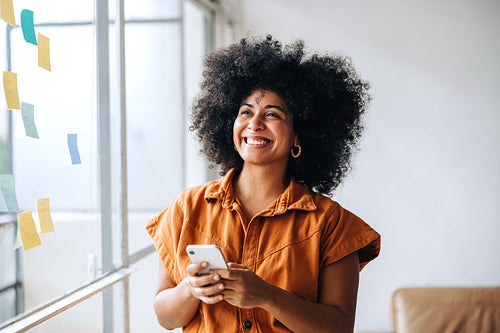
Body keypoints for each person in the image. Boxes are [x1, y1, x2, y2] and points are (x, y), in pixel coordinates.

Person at [146, 35, 381, 333]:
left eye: (272, 114)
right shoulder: (187, 208)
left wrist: (267, 296)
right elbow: (166, 318)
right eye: (246, 111)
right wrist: (190, 289)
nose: (254, 123)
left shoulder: (332, 223)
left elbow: (339, 328)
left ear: (299, 135)